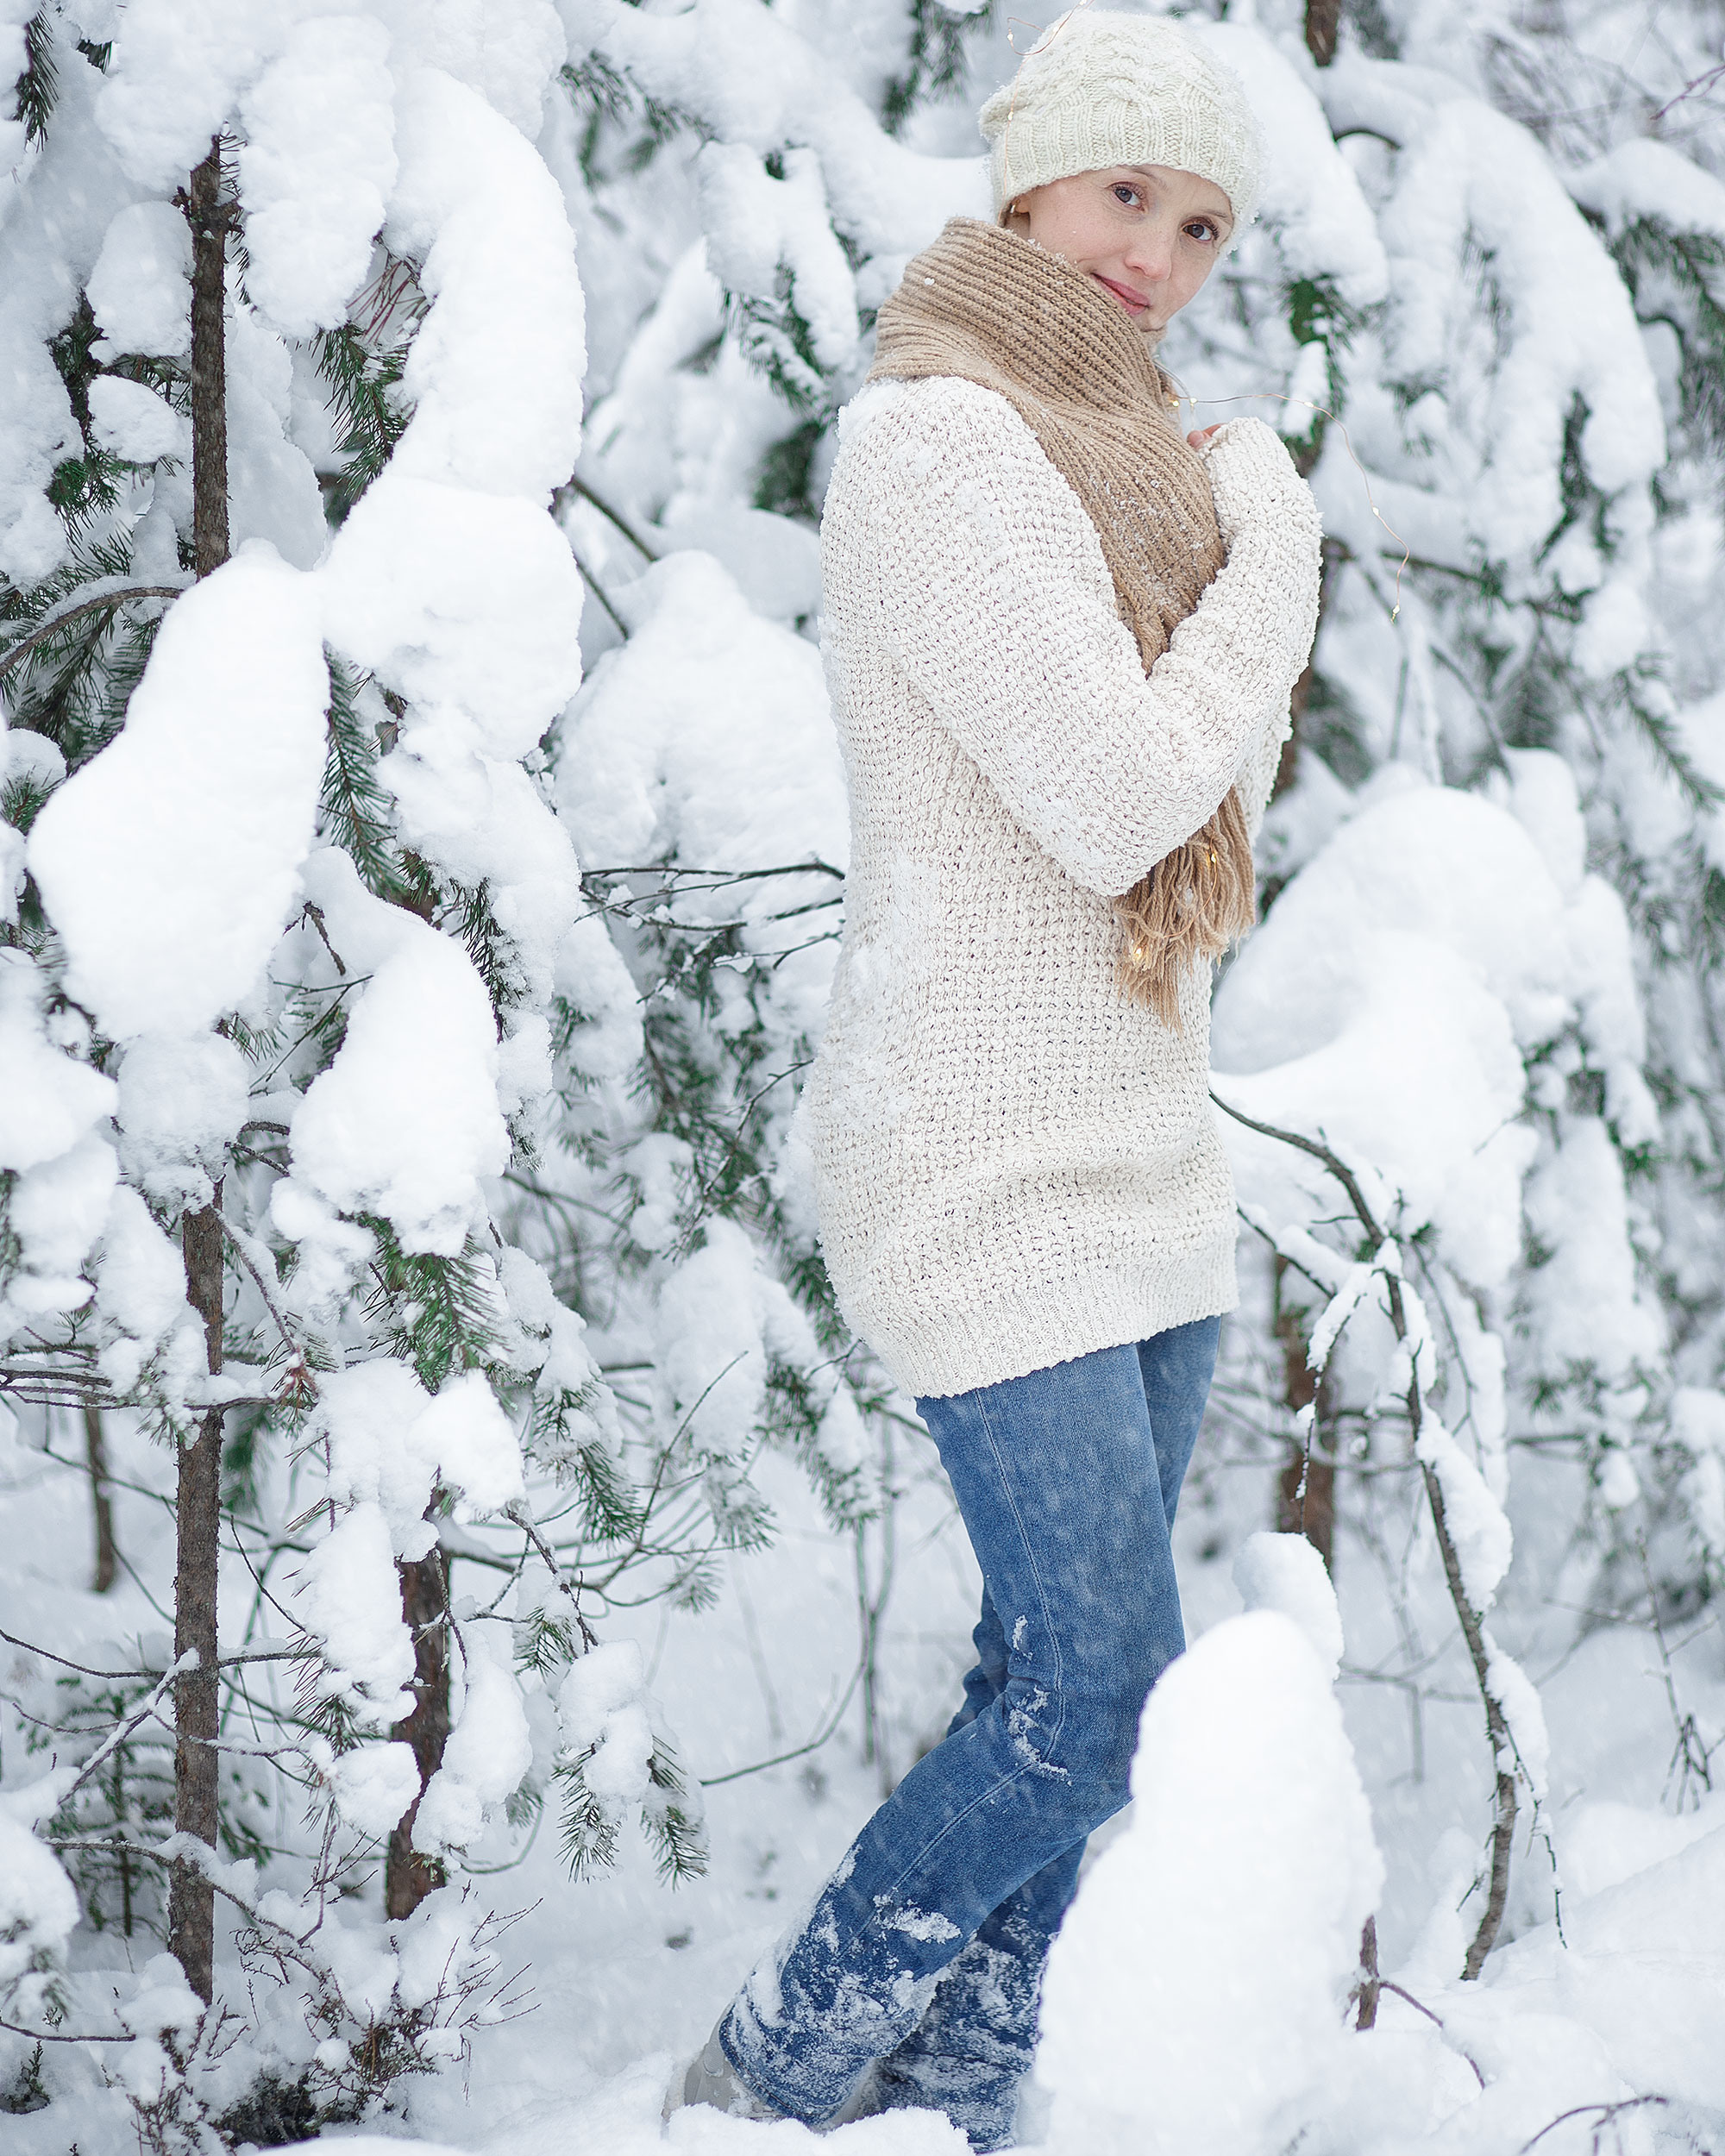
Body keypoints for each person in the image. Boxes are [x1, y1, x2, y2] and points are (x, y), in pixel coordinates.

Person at [672, 10, 1321, 2147]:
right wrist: (1273, 568)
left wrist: (1226, 563)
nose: (1159, 253)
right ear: (1029, 185)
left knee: (1050, 1693)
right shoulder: (942, 441)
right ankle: (768, 2073)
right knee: (1097, 1690)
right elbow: (1135, 788)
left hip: (1137, 1139)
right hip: (973, 1145)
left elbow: (1187, 797)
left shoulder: (1121, 464)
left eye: (1203, 220)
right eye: (1129, 194)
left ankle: (966, 2082)